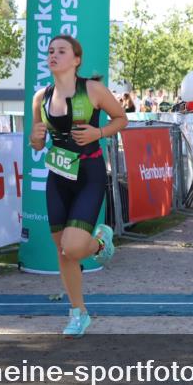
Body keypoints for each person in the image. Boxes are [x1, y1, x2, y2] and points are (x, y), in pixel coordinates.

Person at [30, 34, 128, 337]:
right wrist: (36, 138)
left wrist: (99, 132)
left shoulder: (94, 90)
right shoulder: (41, 97)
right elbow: (37, 143)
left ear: (76, 60)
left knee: (73, 247)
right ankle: (78, 313)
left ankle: (100, 242)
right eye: (50, 51)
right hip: (58, 176)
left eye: (61, 51)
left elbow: (121, 118)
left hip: (89, 173)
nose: (54, 55)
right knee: (63, 252)